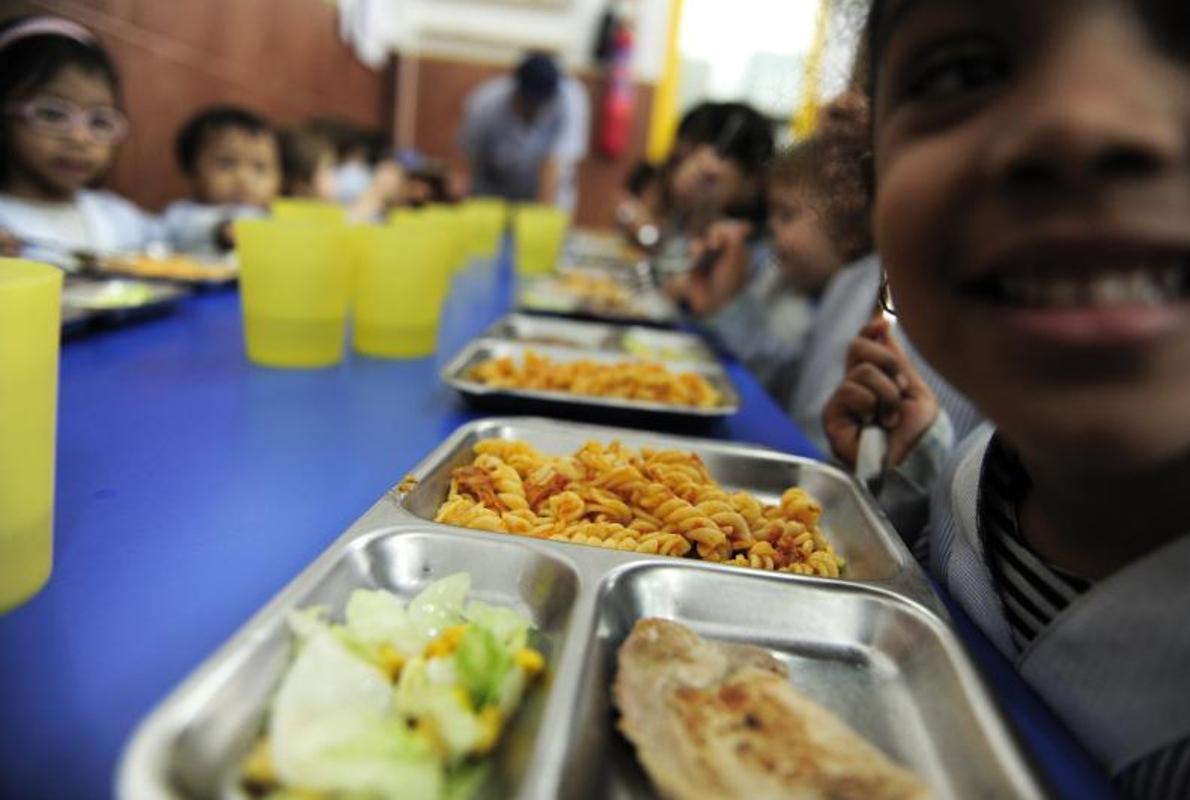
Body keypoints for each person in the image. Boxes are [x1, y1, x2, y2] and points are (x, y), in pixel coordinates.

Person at [825, 1, 1190, 795]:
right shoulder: (973, 480)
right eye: (962, 73)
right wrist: (913, 475)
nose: (1077, 122)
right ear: (875, 187)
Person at [671, 136, 860, 404]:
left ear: (846, 230)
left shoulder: (850, 306)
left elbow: (770, 377)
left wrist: (731, 304)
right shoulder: (781, 276)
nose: (773, 228)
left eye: (787, 215)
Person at [0, 16, 159, 261]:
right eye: (52, 114)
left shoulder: (115, 215)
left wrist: (217, 229)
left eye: (99, 121)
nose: (80, 139)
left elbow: (176, 232)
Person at [457, 52, 589, 212]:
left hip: (547, 194)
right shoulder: (486, 103)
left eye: (540, 101)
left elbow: (552, 165)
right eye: (528, 99)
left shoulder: (570, 100)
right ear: (516, 87)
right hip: (494, 192)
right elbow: (466, 160)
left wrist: (539, 220)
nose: (534, 106)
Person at [161, 105, 280, 255]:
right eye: (227, 164)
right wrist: (219, 232)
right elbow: (182, 234)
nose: (243, 179)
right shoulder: (181, 214)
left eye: (259, 168)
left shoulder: (272, 219)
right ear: (192, 172)